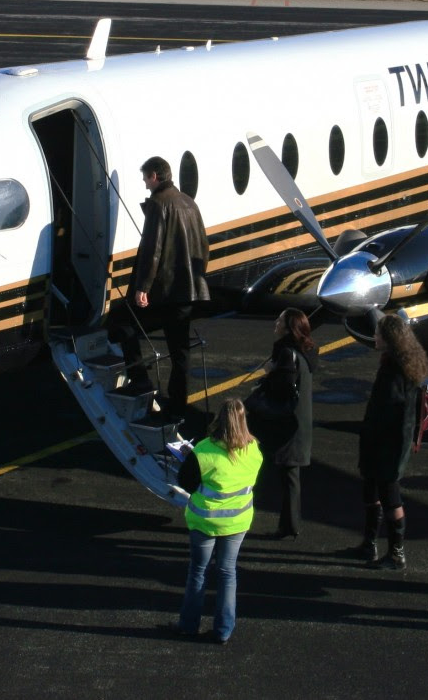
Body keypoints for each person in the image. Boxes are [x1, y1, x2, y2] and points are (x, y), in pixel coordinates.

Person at [119, 156, 210, 424]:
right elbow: (204, 247)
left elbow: (153, 249)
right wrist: (197, 277)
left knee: (125, 324)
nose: (145, 184)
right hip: (188, 290)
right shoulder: (189, 203)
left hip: (166, 292)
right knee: (180, 350)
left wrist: (142, 287)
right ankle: (178, 405)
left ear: (155, 176)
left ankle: (140, 380)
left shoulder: (159, 204)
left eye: (146, 178)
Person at [173, 397, 263, 645]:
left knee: (198, 573)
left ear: (219, 420)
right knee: (227, 572)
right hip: (238, 522)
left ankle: (188, 625)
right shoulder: (253, 449)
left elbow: (186, 483)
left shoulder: (203, 451)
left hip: (205, 522)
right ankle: (223, 630)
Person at [354, 313, 428, 570]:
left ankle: (396, 553)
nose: (374, 337)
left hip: (388, 442)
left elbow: (389, 407)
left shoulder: (394, 369)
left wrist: (371, 433)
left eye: (378, 333)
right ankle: (370, 544)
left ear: (389, 339)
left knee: (389, 495)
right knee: (373, 490)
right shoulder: (403, 362)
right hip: (387, 439)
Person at [247, 308, 317, 540]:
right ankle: (289, 524)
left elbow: (283, 386)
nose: (274, 324)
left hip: (287, 424)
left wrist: (268, 374)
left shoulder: (286, 354)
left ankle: (288, 526)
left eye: (279, 321)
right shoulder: (304, 352)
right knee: (290, 476)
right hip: (298, 421)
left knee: (286, 476)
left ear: (288, 328)